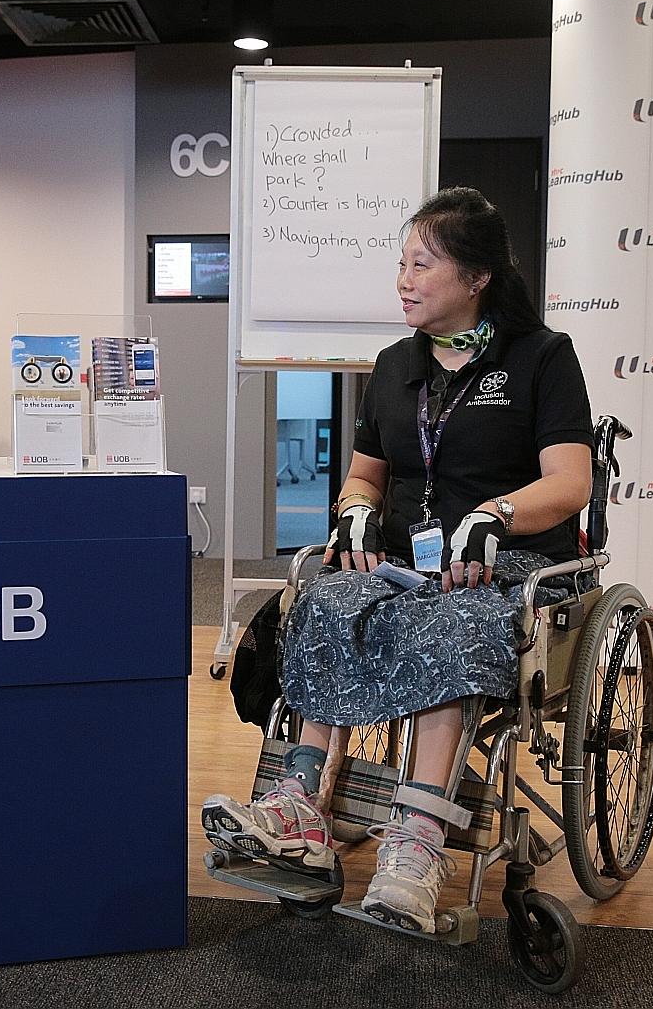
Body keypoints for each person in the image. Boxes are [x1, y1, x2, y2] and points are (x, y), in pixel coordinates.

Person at [203, 187, 593, 934]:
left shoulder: (542, 357)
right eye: (402, 264)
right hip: (404, 566)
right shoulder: (392, 366)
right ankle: (301, 810)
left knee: (457, 621)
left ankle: (415, 846)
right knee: (322, 599)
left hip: (498, 567)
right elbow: (365, 474)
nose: (404, 280)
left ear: (476, 278)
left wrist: (496, 514)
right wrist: (353, 506)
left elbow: (570, 481)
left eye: (424, 264)